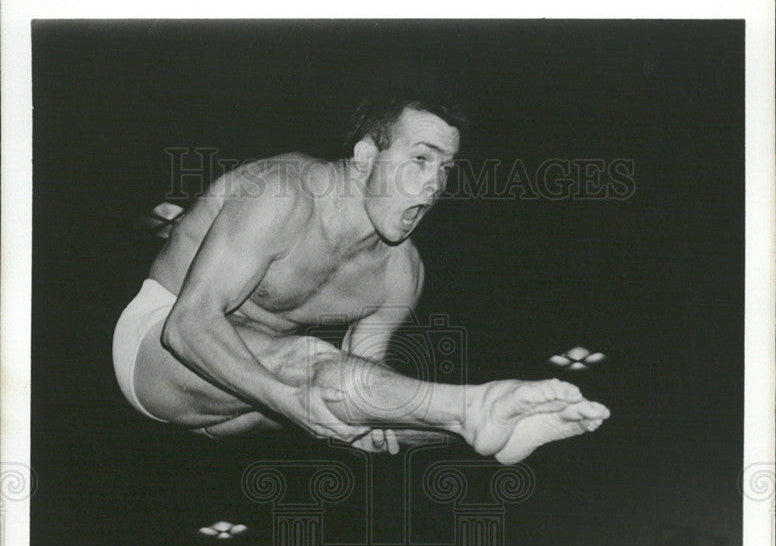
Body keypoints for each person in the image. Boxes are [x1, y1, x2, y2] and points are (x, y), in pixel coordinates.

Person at [113, 92, 610, 461]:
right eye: (420, 159)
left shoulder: (402, 273)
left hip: (243, 402)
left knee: (353, 395)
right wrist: (288, 401)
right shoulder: (283, 193)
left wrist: (368, 421)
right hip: (159, 346)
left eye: (446, 168)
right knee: (307, 364)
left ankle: (492, 423)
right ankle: (474, 410)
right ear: (367, 156)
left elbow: (364, 387)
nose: (434, 185)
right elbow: (189, 324)